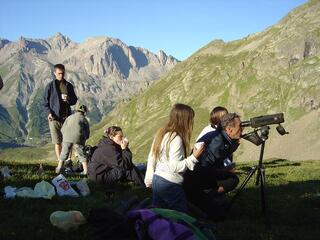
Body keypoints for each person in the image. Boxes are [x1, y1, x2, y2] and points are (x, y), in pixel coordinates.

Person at [144, 103, 205, 213]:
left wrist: (149, 178)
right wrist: (194, 157)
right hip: (169, 183)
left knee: (160, 214)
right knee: (181, 215)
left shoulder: (162, 133)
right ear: (184, 120)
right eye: (190, 119)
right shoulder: (176, 139)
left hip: (157, 179)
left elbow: (152, 156)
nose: (192, 123)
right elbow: (175, 167)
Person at [183, 113, 242, 219]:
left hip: (198, 178)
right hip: (195, 183)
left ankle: (209, 198)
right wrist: (224, 171)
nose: (242, 130)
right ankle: (207, 196)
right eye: (240, 127)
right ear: (229, 129)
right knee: (218, 216)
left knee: (232, 179)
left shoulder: (219, 136)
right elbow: (205, 169)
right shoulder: (217, 142)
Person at [44, 64, 77, 162]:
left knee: (68, 141)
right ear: (54, 73)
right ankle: (60, 161)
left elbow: (74, 101)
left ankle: (68, 161)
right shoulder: (50, 86)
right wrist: (49, 113)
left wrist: (69, 99)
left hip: (67, 118)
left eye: (62, 73)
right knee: (57, 142)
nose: (61, 76)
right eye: (59, 74)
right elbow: (45, 103)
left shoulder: (68, 86)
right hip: (54, 118)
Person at [56, 103, 90, 175]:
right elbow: (87, 132)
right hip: (78, 138)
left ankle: (59, 168)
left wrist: (65, 136)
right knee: (82, 154)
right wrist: (84, 138)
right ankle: (86, 171)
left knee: (64, 153)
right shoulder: (84, 119)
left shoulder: (69, 117)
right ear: (85, 112)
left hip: (67, 137)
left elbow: (62, 129)